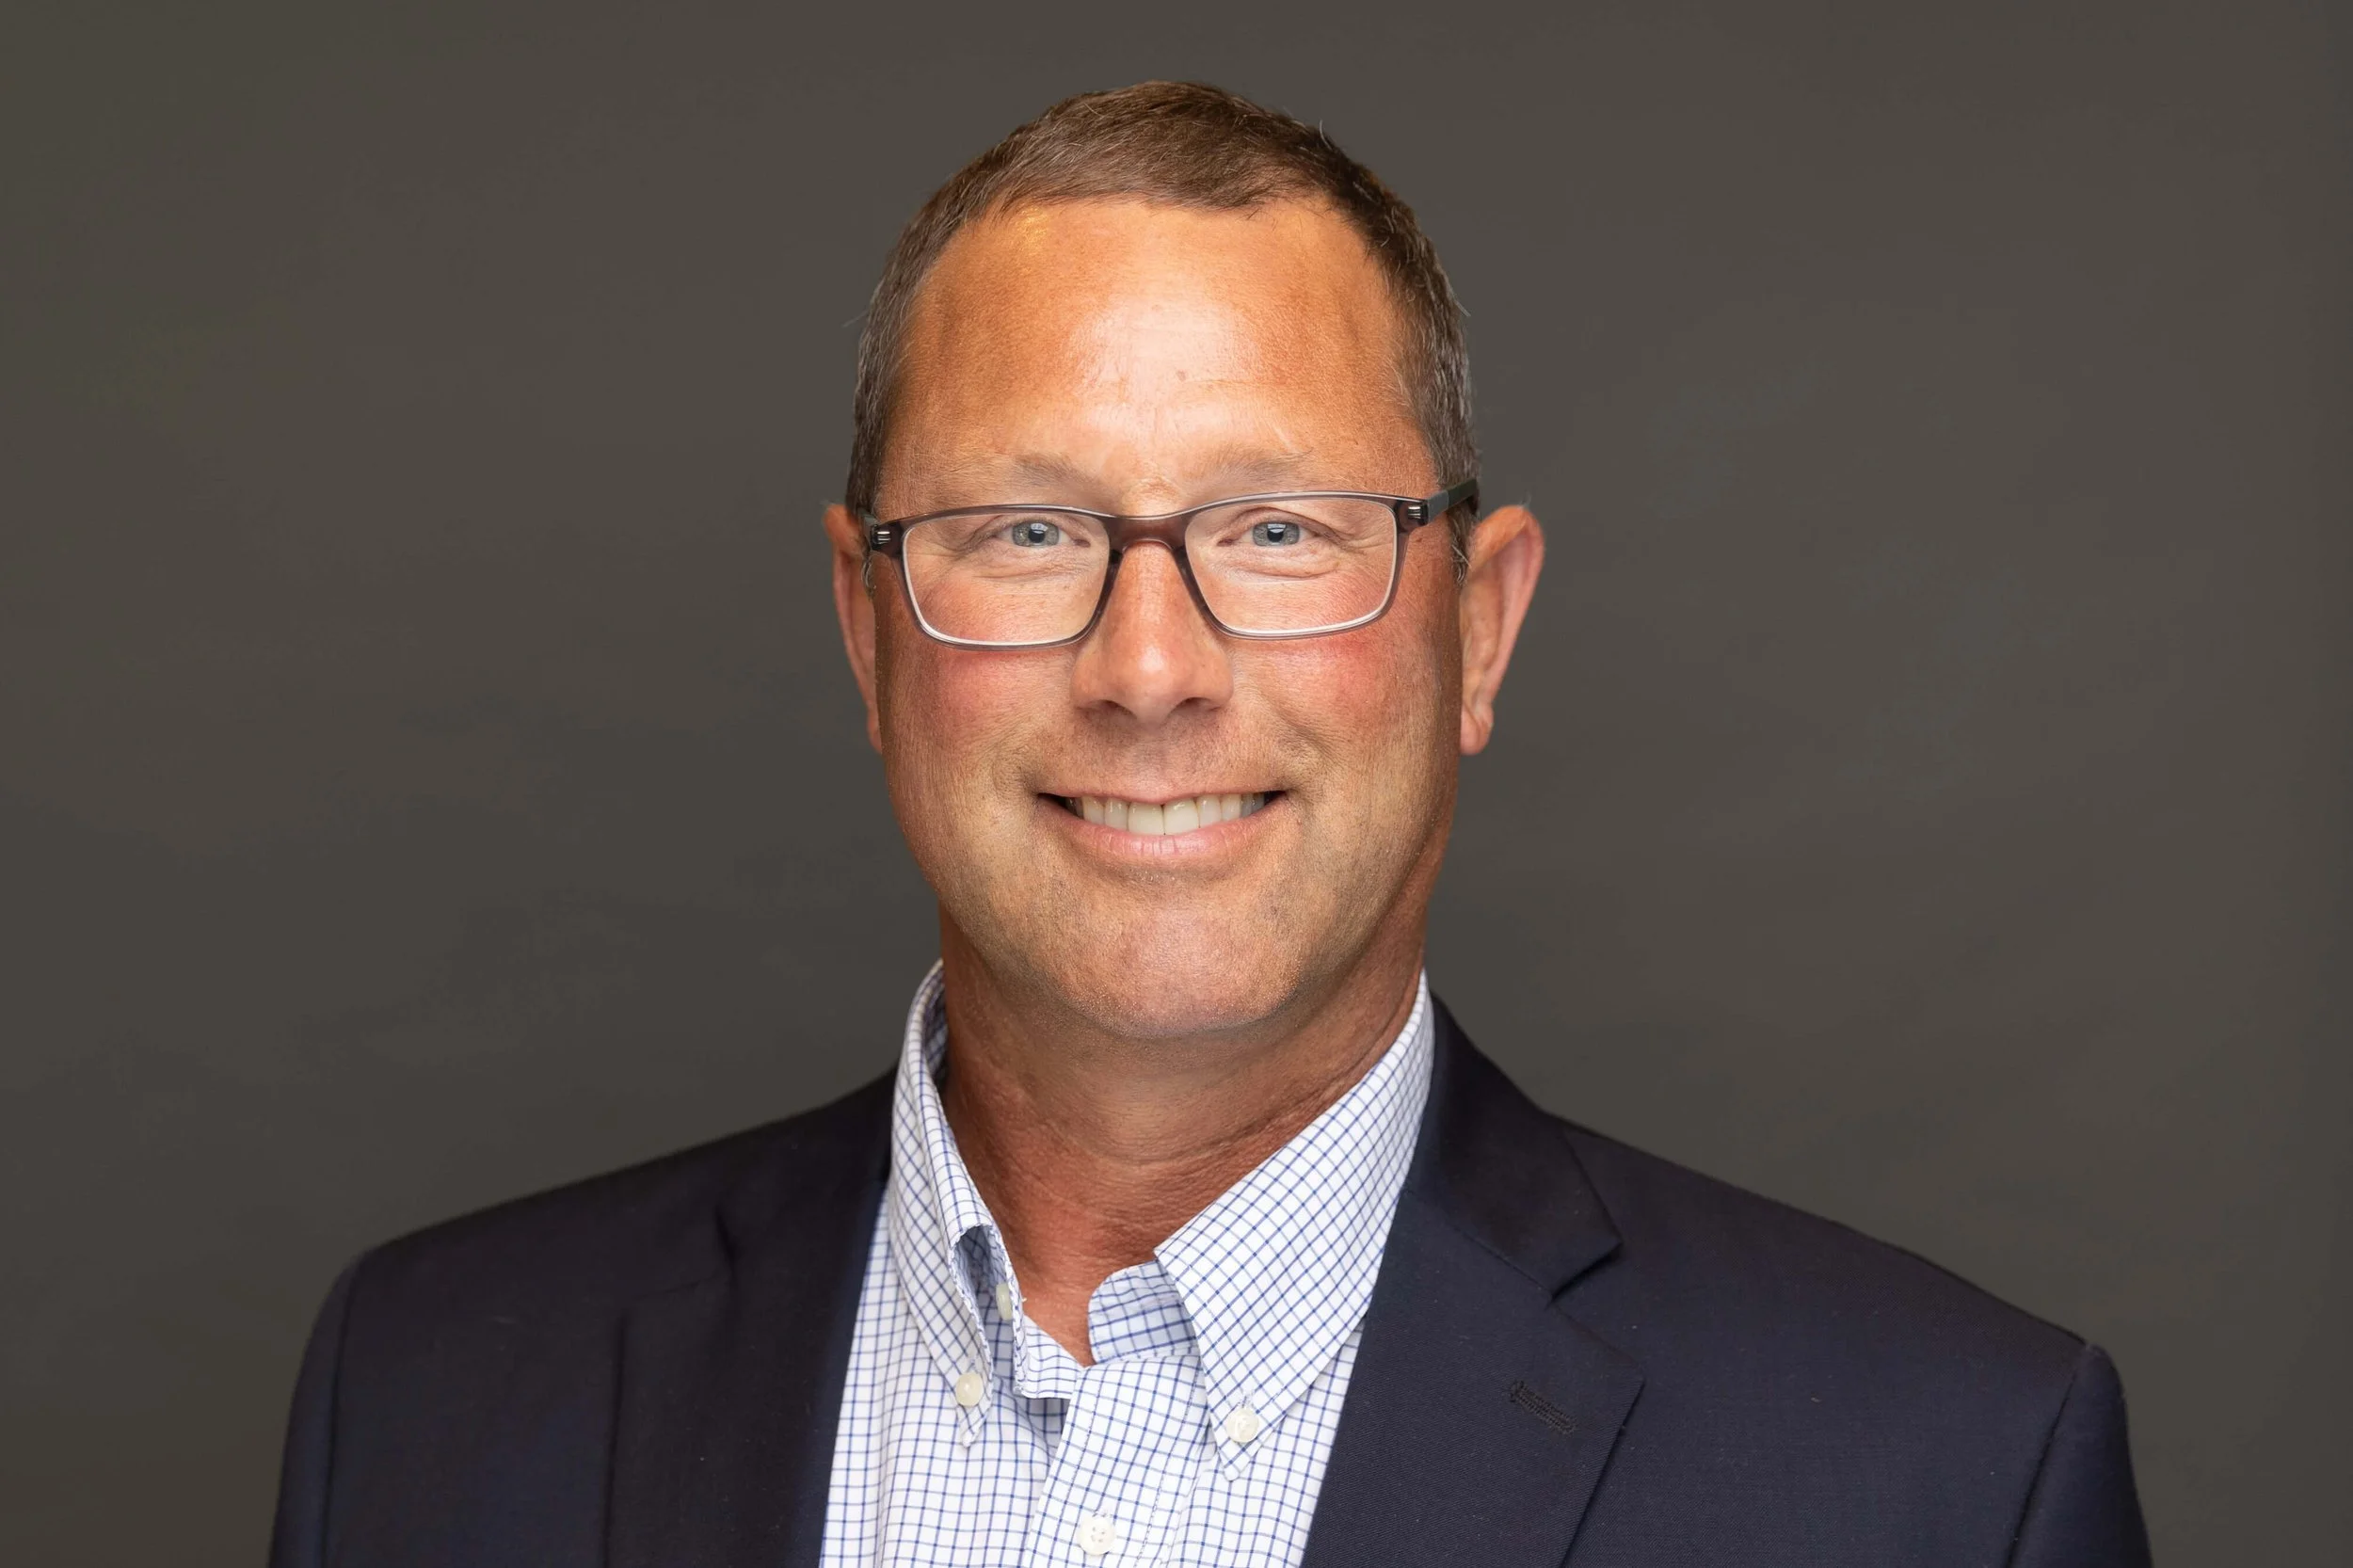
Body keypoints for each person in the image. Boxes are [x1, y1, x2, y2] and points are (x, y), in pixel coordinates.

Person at [268, 82, 2151, 1568]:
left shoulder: (1939, 1479)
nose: (1148, 664)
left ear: (1474, 628)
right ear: (864, 627)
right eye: (1024, 531)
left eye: (1276, 528)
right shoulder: (429, 1401)